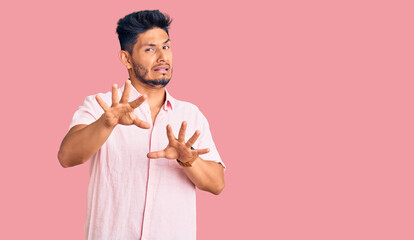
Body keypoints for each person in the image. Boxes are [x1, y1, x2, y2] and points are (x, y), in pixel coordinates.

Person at [58, 10, 225, 240]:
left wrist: (189, 160)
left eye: (166, 47)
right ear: (126, 58)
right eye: (150, 49)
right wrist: (106, 124)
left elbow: (217, 184)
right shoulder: (102, 107)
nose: (162, 57)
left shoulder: (190, 114)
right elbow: (67, 156)